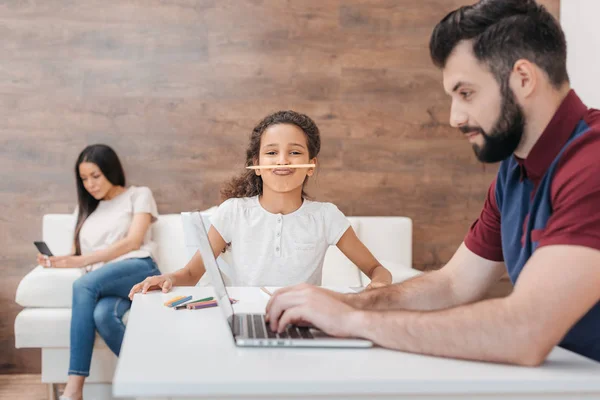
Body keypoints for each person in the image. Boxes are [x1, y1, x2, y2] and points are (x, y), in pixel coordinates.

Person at [265, 0, 600, 366]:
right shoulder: (514, 170)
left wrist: (351, 321)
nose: (455, 117)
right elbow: (453, 284)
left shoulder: (592, 163)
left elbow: (525, 331)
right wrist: (349, 302)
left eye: (466, 93)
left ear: (523, 78)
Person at [129, 110, 392, 299]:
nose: (282, 161)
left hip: (303, 317)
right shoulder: (233, 212)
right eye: (271, 152)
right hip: (246, 317)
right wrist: (168, 278)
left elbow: (376, 269)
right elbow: (191, 272)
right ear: (256, 164)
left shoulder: (326, 216)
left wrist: (380, 283)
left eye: (295, 152)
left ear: (311, 165)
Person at [37, 144, 161, 400]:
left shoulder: (139, 195)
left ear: (111, 170)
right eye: (84, 179)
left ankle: (73, 389)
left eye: (95, 176)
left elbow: (133, 242)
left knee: (82, 286)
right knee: (103, 315)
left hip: (138, 268)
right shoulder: (86, 209)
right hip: (104, 281)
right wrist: (57, 261)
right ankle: (149, 383)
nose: (90, 184)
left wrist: (82, 261)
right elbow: (77, 254)